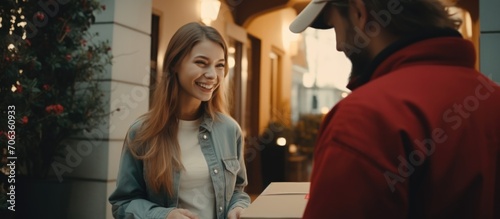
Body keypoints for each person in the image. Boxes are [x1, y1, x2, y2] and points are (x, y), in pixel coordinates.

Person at [290, 0, 500, 218]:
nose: (338, 45)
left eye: (335, 26)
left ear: (359, 13)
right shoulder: (492, 98)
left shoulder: (364, 118)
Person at [109, 22, 250, 219]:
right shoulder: (142, 133)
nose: (212, 75)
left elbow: (238, 191)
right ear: (175, 64)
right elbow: (123, 204)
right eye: (201, 62)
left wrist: (238, 207)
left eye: (219, 65)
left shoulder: (229, 130)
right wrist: (164, 216)